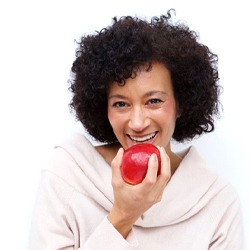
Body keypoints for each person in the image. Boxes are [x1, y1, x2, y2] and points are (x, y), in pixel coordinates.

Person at [28, 9, 245, 249]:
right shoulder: (68, 173)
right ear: (104, 108)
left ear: (180, 103)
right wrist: (123, 215)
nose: (138, 123)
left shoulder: (217, 202)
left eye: (154, 101)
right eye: (121, 104)